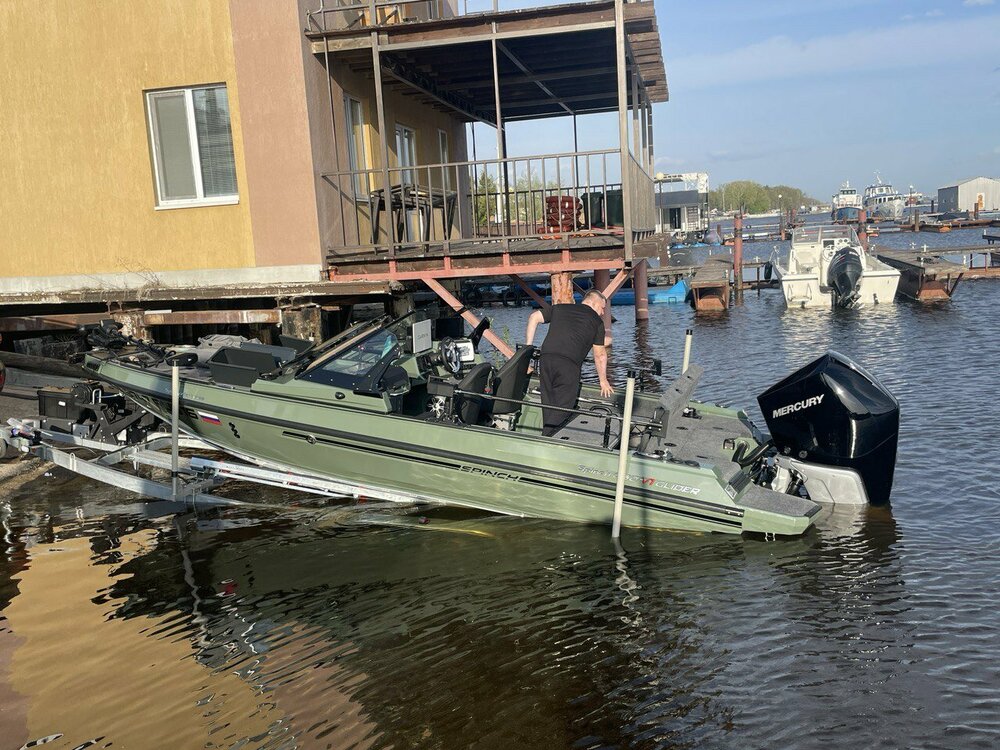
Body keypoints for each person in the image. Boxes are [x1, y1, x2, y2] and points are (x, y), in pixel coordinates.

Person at [525, 290, 613, 436]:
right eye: (602, 307)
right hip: (568, 363)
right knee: (566, 406)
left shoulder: (560, 308)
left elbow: (534, 317)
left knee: (548, 403)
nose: (603, 312)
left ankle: (550, 439)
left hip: (546, 359)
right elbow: (600, 355)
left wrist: (528, 348)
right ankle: (545, 439)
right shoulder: (597, 323)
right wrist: (603, 381)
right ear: (593, 302)